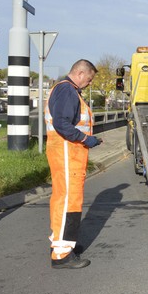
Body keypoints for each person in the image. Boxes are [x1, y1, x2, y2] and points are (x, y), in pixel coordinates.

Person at [45, 59, 102, 269]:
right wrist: (86, 139)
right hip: (68, 154)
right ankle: (61, 255)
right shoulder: (67, 91)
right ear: (79, 73)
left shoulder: (66, 90)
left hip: (67, 154)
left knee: (64, 200)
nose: (89, 83)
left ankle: (62, 245)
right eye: (89, 79)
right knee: (68, 202)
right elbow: (62, 123)